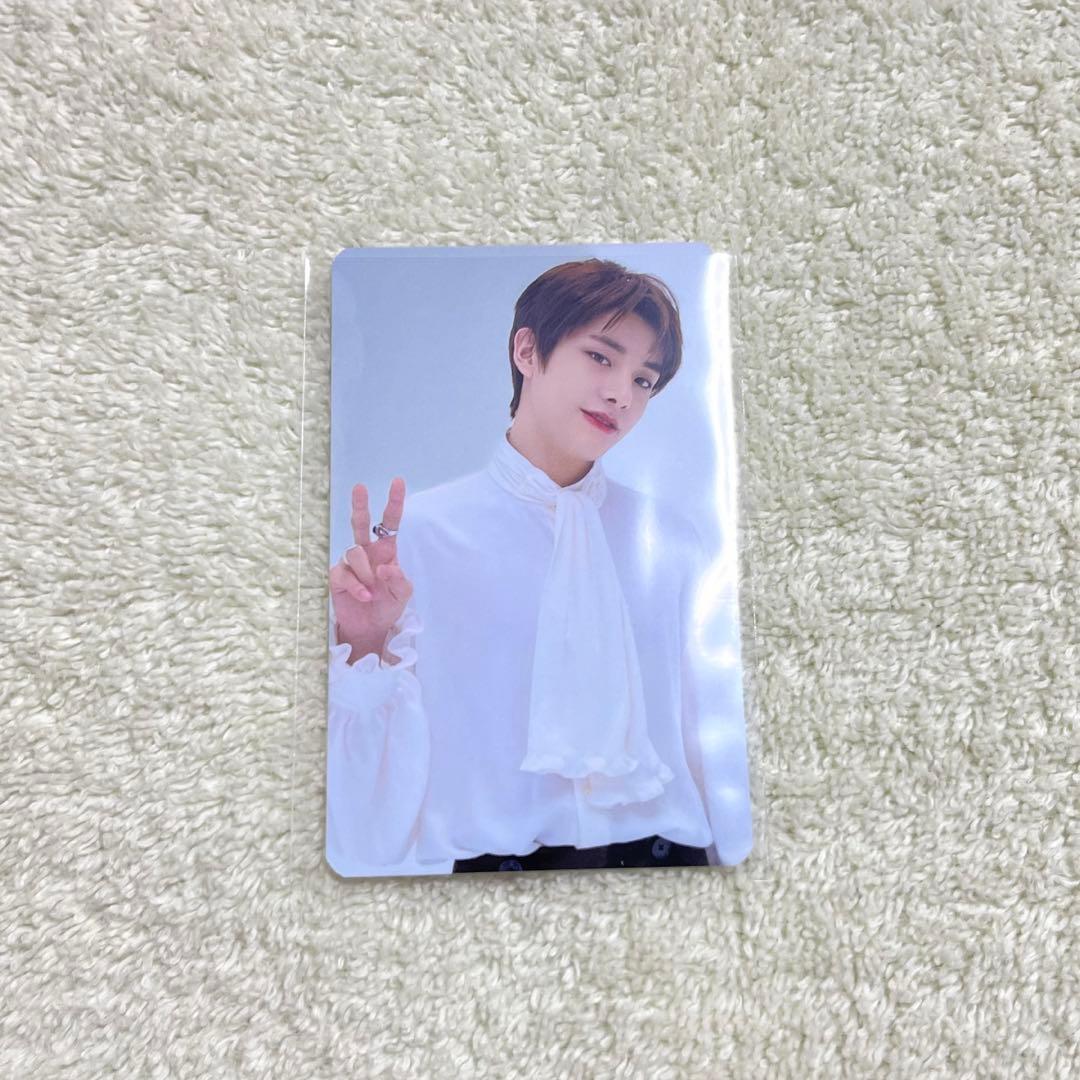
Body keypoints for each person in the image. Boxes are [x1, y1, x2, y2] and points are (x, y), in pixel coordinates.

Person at [326, 258, 751, 875]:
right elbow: (369, 816)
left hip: (670, 864)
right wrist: (363, 642)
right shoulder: (423, 535)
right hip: (496, 877)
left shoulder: (669, 540)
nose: (621, 394)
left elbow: (709, 731)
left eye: (644, 379)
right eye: (601, 357)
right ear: (527, 349)